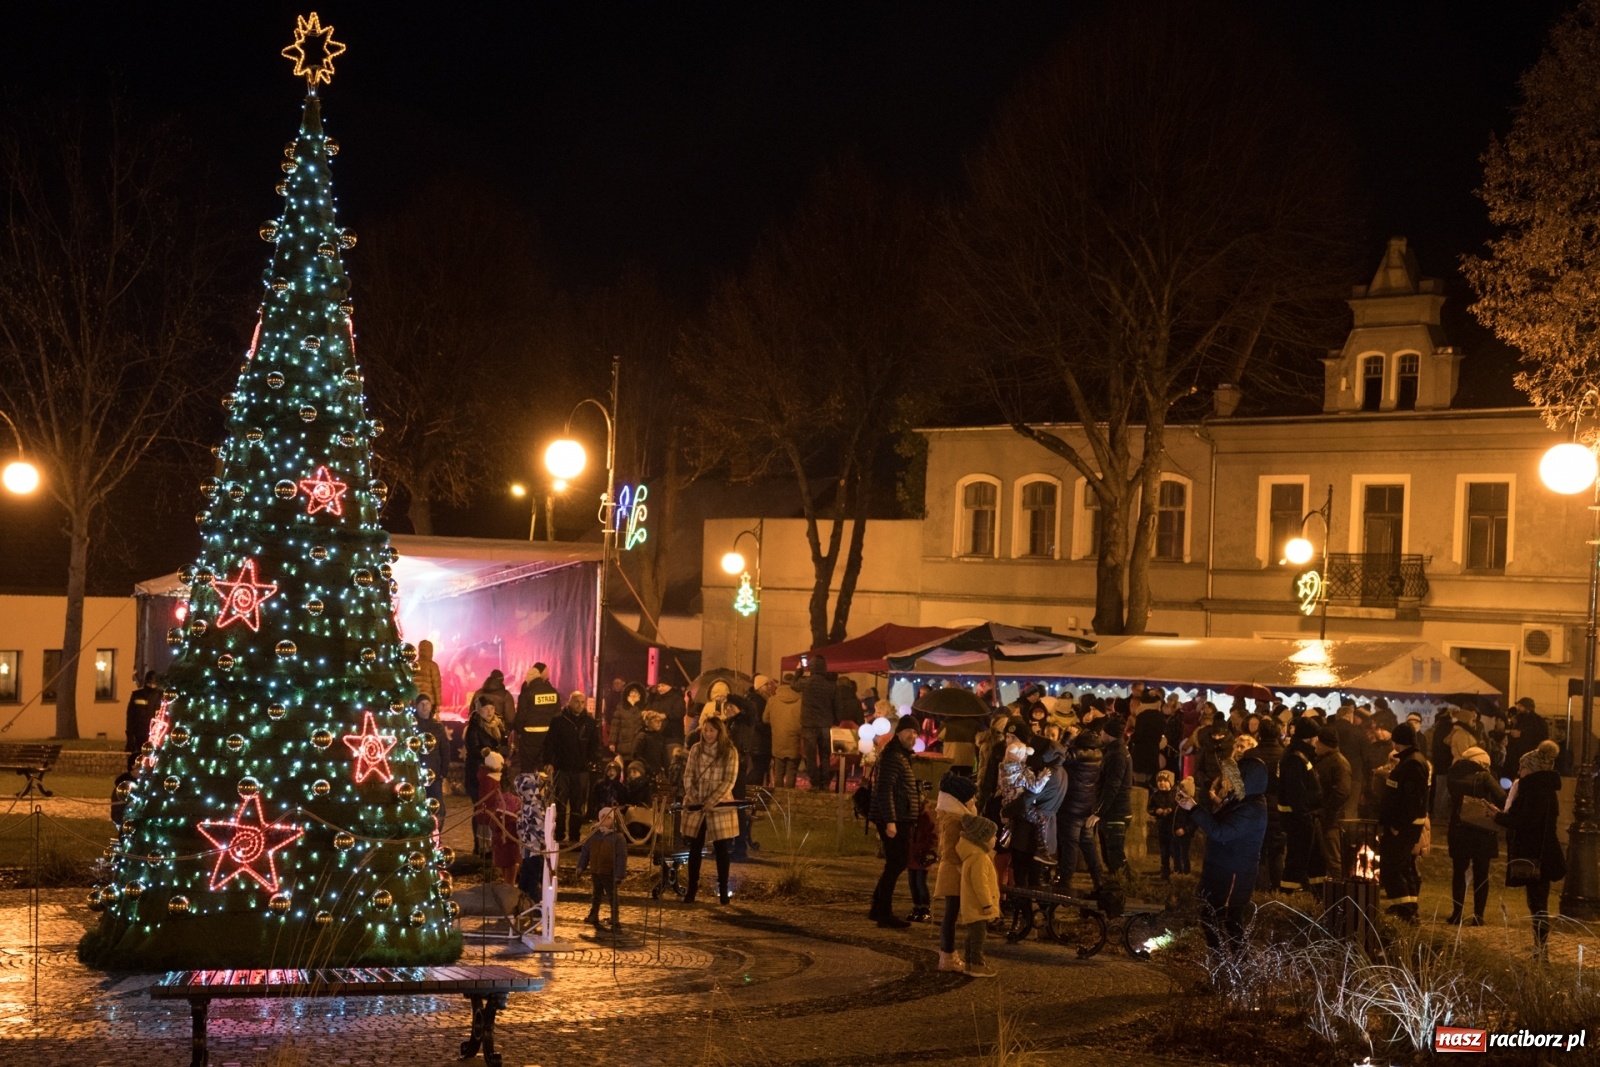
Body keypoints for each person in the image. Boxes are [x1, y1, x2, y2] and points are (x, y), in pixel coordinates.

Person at [1177, 757, 1269, 953]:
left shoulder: (1253, 808)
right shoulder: (1240, 799)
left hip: (1233, 873)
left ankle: (1231, 968)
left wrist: (1193, 808)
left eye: (1238, 776)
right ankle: (1227, 969)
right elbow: (1216, 822)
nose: (1233, 779)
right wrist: (1194, 805)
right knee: (1215, 919)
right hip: (1223, 869)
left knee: (1225, 920)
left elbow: (1221, 832)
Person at [1496, 740, 1565, 958]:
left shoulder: (1536, 790)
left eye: (1522, 767)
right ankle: (1539, 946)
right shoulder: (1541, 788)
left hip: (1537, 854)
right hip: (1539, 852)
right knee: (1536, 902)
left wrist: (1498, 817)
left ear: (1532, 768)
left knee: (1538, 903)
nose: (1519, 771)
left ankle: (1541, 948)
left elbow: (1523, 821)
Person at [680, 712, 740, 905]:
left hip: (719, 805)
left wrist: (712, 801)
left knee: (721, 849)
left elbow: (729, 780)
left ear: (719, 732)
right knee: (695, 848)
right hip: (698, 804)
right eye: (705, 730)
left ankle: (723, 891)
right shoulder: (696, 750)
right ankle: (691, 890)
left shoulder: (729, 751)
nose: (707, 734)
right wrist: (695, 796)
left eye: (711, 730)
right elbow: (688, 775)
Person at [868, 714, 920, 928]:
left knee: (895, 863)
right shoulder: (893, 756)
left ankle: (877, 907)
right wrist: (890, 821)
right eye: (909, 731)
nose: (913, 736)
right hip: (895, 817)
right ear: (899, 733)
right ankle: (883, 913)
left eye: (916, 732)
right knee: (896, 863)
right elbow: (884, 789)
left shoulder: (901, 755)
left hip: (900, 815)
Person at [1446, 744, 1506, 927]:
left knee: (1458, 872)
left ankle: (1457, 913)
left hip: (1459, 827)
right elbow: (1502, 797)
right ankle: (1478, 915)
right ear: (1481, 762)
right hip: (1481, 830)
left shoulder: (1452, 774)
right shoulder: (1484, 776)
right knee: (1481, 874)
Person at [1378, 722, 1431, 924]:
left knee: (1392, 867)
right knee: (1402, 866)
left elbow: (1410, 799)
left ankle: (1405, 911)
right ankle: (1407, 907)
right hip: (1404, 824)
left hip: (1403, 826)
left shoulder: (1413, 763)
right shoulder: (1411, 760)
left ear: (1398, 740)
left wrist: (1397, 824)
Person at [934, 772, 979, 972]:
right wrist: (965, 868)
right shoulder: (954, 819)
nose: (975, 800)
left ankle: (949, 955)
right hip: (954, 872)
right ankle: (947, 956)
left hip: (953, 870)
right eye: (971, 797)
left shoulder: (955, 816)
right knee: (951, 915)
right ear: (960, 800)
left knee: (951, 914)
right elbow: (951, 850)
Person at [546, 691, 602, 842]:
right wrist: (549, 762)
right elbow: (550, 742)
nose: (580, 705)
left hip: (581, 769)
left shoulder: (589, 721)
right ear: (569, 702)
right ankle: (559, 835)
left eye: (582, 702)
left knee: (578, 804)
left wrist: (592, 760)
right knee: (561, 804)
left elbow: (595, 743)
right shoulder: (559, 720)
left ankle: (574, 836)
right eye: (576, 701)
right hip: (562, 767)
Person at [1277, 718, 1325, 893]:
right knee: (1297, 860)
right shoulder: (1295, 758)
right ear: (1309, 737)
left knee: (1317, 859)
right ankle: (1287, 896)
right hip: (1300, 819)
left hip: (1308, 817)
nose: (1317, 740)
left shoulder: (1302, 755)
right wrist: (1305, 818)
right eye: (1315, 737)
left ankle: (1319, 893)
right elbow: (1296, 794)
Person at [1056, 728, 1104, 894]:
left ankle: (1065, 881)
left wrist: (1067, 737)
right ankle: (1098, 879)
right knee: (1088, 844)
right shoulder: (1098, 755)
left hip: (1071, 807)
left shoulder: (1076, 755)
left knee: (1070, 844)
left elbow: (1058, 754)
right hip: (1087, 806)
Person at [957, 813, 1002, 978]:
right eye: (993, 836)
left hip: (972, 905)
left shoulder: (973, 856)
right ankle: (977, 964)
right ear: (982, 838)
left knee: (972, 935)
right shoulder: (979, 858)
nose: (995, 839)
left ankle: (969, 962)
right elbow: (980, 884)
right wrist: (987, 904)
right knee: (979, 936)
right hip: (978, 907)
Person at [1092, 714, 1133, 875]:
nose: (1100, 734)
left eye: (1102, 731)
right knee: (1110, 855)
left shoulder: (1117, 755)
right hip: (1112, 812)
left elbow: (1112, 787)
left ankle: (1123, 889)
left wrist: (1099, 812)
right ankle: (1114, 887)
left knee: (1115, 855)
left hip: (1115, 813)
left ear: (1108, 733)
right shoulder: (1114, 751)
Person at [578, 805, 628, 932]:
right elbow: (585, 851)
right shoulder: (594, 834)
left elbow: (621, 857)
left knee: (612, 895)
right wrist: (581, 866)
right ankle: (593, 914)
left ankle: (615, 917)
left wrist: (619, 874)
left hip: (609, 871)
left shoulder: (618, 837)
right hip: (596, 870)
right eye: (603, 818)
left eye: (608, 818)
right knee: (596, 894)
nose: (605, 821)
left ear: (613, 820)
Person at [476, 751, 522, 884]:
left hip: (493, 814)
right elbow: (490, 798)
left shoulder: (492, 778)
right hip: (490, 813)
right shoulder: (489, 780)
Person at [1312, 726, 1352, 878]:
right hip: (1325, 817)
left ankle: (1339, 892)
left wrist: (1326, 810)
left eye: (1318, 742)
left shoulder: (1339, 763)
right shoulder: (1326, 760)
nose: (1315, 744)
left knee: (1333, 858)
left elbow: (1342, 792)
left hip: (1331, 820)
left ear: (1324, 744)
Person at [1253, 716, 1287, 891]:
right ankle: (1277, 889)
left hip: (1255, 808)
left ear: (1259, 734)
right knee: (1276, 854)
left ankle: (1259, 889)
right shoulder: (1285, 755)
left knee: (1257, 853)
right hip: (1278, 810)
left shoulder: (1251, 755)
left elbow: (1239, 784)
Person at [799, 656, 840, 791]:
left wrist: (799, 671)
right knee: (825, 756)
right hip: (825, 725)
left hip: (809, 725)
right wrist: (835, 721)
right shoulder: (831, 686)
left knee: (810, 756)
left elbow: (793, 685)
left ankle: (815, 783)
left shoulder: (806, 683)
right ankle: (825, 784)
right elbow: (835, 706)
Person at [464, 695, 509, 812]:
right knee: (480, 808)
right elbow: (474, 749)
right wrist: (489, 754)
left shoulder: (499, 724)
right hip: (480, 772)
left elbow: (504, 743)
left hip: (497, 772)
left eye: (492, 708)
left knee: (495, 807)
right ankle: (479, 830)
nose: (489, 712)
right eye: (485, 709)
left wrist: (505, 753)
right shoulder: (474, 727)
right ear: (479, 710)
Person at [512, 664, 560, 773]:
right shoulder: (553, 692)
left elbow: (521, 715)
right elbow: (558, 714)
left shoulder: (527, 692)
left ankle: (529, 790)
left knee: (527, 768)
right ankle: (544, 789)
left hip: (530, 737)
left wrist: (519, 731)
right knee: (544, 766)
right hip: (548, 736)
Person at [906, 780, 937, 923]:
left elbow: (932, 836)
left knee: (920, 882)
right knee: (913, 882)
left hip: (920, 855)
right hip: (912, 855)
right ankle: (917, 906)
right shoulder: (912, 818)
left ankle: (925, 907)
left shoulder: (925, 818)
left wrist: (924, 848)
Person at [766, 673, 804, 787]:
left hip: (778, 739)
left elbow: (765, 718)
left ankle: (778, 798)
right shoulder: (801, 700)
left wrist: (776, 724)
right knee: (791, 771)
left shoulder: (772, 700)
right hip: (794, 739)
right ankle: (789, 798)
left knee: (778, 771)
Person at [414, 695, 450, 810]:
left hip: (434, 773)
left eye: (427, 704)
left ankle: (436, 828)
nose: (424, 707)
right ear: (416, 706)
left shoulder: (437, 726)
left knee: (438, 807)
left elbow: (445, 749)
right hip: (415, 773)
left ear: (431, 706)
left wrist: (443, 771)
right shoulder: (411, 726)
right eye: (421, 704)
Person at [124, 671, 162, 771]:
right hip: (139, 735)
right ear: (146, 682)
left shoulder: (161, 697)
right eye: (149, 683)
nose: (151, 686)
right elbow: (130, 717)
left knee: (153, 762)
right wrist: (130, 737)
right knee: (138, 761)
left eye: (153, 684)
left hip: (156, 736)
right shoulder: (137, 695)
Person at [1503, 698, 1548, 782]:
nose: (1518, 708)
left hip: (1528, 757)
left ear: (1527, 707)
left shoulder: (1537, 721)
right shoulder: (1520, 719)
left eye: (1520, 706)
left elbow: (1540, 737)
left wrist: (1522, 734)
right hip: (1516, 757)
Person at [747, 674, 777, 788]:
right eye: (766, 684)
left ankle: (754, 791)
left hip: (758, 741)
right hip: (759, 742)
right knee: (759, 769)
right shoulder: (759, 701)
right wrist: (770, 731)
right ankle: (749, 788)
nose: (769, 686)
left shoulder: (757, 699)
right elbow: (758, 722)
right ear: (759, 687)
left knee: (759, 768)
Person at [1150, 769, 1179, 880]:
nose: (1162, 783)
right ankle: (1165, 870)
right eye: (1159, 780)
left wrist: (1171, 810)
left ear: (1170, 782)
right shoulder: (1156, 795)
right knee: (1164, 849)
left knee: (1174, 849)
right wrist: (1156, 810)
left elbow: (1180, 806)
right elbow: (1150, 807)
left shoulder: (1175, 794)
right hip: (1162, 826)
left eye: (1165, 780)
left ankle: (1177, 869)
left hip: (1173, 826)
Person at [611, 682, 648, 762]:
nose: (634, 694)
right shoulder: (621, 707)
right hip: (624, 745)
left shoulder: (645, 707)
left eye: (636, 692)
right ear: (628, 693)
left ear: (640, 694)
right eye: (631, 692)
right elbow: (615, 726)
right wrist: (612, 742)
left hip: (640, 746)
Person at [635, 710, 668, 778]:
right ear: (648, 723)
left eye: (660, 721)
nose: (659, 723)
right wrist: (647, 768)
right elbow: (636, 755)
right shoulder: (641, 737)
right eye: (656, 721)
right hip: (644, 773)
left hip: (657, 774)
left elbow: (663, 756)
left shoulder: (660, 737)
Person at [414, 639, 442, 709]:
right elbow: (436, 686)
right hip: (429, 701)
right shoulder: (433, 666)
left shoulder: (414, 665)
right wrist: (438, 703)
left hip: (415, 700)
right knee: (428, 719)